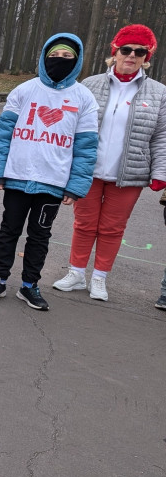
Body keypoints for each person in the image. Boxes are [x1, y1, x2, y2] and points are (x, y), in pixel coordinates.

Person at [0, 35, 98, 310]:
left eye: (67, 57)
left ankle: (29, 285)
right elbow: (3, 134)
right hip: (18, 177)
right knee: (9, 230)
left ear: (77, 60)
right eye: (55, 54)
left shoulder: (84, 98)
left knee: (40, 235)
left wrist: (75, 186)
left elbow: (86, 146)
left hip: (53, 182)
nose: (60, 60)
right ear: (45, 56)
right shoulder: (24, 90)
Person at [53, 24, 166, 301]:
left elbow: (161, 136)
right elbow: (71, 128)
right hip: (88, 170)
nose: (132, 56)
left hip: (129, 174)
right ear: (114, 53)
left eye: (140, 52)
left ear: (146, 57)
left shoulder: (159, 93)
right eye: (126, 50)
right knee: (84, 223)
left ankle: (100, 278)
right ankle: (77, 273)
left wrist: (160, 171)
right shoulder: (89, 85)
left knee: (113, 228)